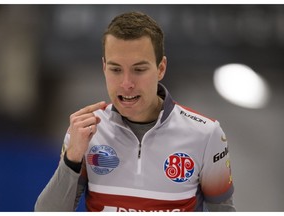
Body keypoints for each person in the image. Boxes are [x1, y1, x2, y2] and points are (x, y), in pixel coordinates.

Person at [35, 11, 235, 212]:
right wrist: (72, 158)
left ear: (161, 68)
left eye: (139, 70)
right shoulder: (85, 132)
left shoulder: (206, 134)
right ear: (104, 68)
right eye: (116, 69)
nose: (126, 83)